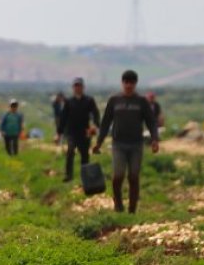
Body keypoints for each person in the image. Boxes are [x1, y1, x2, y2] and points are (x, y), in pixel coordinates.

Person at [94, 70, 160, 213]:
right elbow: (105, 122)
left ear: (135, 84)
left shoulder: (142, 102)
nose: (128, 85)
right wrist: (99, 142)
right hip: (118, 144)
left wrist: (155, 139)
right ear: (122, 83)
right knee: (118, 175)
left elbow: (151, 122)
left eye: (131, 83)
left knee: (133, 176)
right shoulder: (114, 100)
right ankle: (118, 204)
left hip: (136, 144)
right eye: (126, 82)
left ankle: (132, 209)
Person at [58, 77, 100, 182]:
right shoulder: (69, 102)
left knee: (84, 155)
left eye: (79, 86)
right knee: (70, 152)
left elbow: (95, 114)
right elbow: (63, 117)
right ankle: (69, 176)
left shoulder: (89, 100)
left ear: (83, 87)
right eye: (75, 86)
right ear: (73, 88)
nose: (77, 88)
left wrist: (95, 125)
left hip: (84, 132)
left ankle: (85, 177)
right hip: (71, 132)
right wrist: (59, 132)